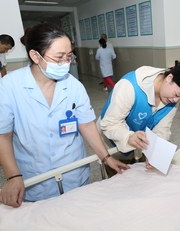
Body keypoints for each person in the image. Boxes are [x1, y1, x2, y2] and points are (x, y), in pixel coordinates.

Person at [0, 23, 129, 208]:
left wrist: (106, 158)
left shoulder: (74, 86)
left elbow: (86, 125)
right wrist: (13, 176)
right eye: (59, 57)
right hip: (34, 176)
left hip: (73, 172)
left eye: (68, 56)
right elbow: (3, 135)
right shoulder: (9, 86)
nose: (65, 63)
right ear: (35, 56)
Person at [99, 61, 180, 173]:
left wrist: (155, 152)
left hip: (140, 144)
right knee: (119, 183)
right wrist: (128, 137)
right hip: (113, 142)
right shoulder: (130, 86)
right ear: (169, 78)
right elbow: (110, 123)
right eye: (177, 95)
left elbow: (162, 128)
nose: (176, 101)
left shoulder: (171, 99)